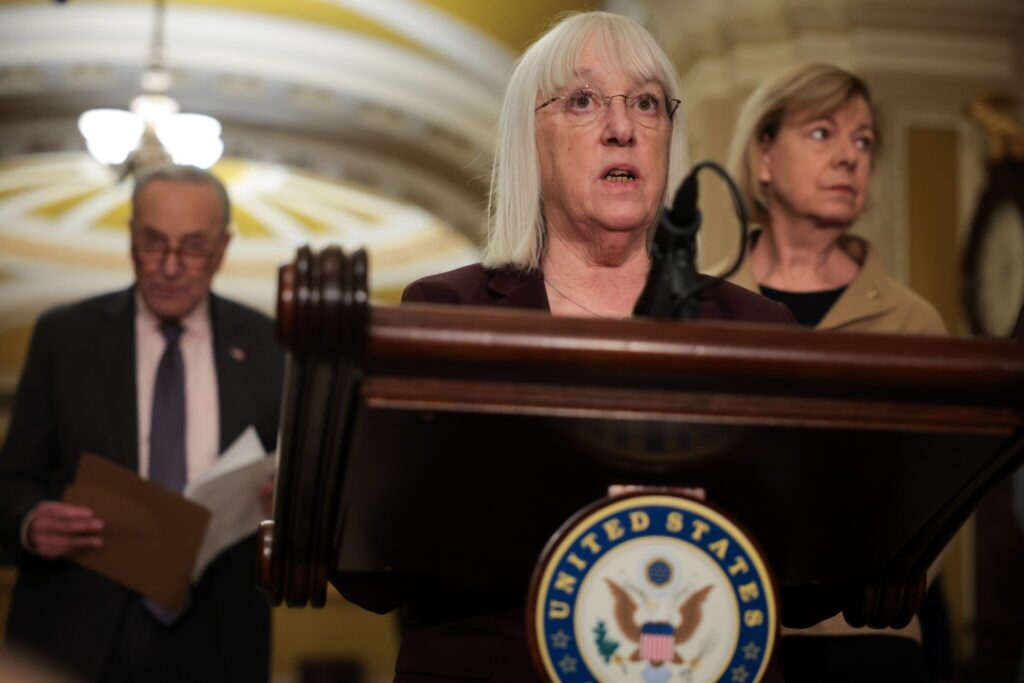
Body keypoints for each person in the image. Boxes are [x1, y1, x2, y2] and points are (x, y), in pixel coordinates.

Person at [398, 11, 794, 682]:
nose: (622, 127)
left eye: (645, 103)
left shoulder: (755, 328)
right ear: (531, 136)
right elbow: (402, 549)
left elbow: (803, 549)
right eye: (583, 100)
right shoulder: (447, 315)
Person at [0, 165, 284, 683]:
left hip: (220, 630)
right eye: (153, 243)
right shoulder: (65, 336)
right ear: (130, 237)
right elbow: (13, 479)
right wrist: (32, 521)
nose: (170, 266)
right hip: (75, 625)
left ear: (222, 249)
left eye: (193, 248)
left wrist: (281, 502)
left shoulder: (271, 344)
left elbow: (303, 486)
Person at [725, 63, 946, 681]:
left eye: (864, 141)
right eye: (823, 134)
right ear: (763, 156)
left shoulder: (913, 322)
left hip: (867, 637)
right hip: (720, 624)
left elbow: (947, 497)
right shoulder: (701, 308)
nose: (850, 156)